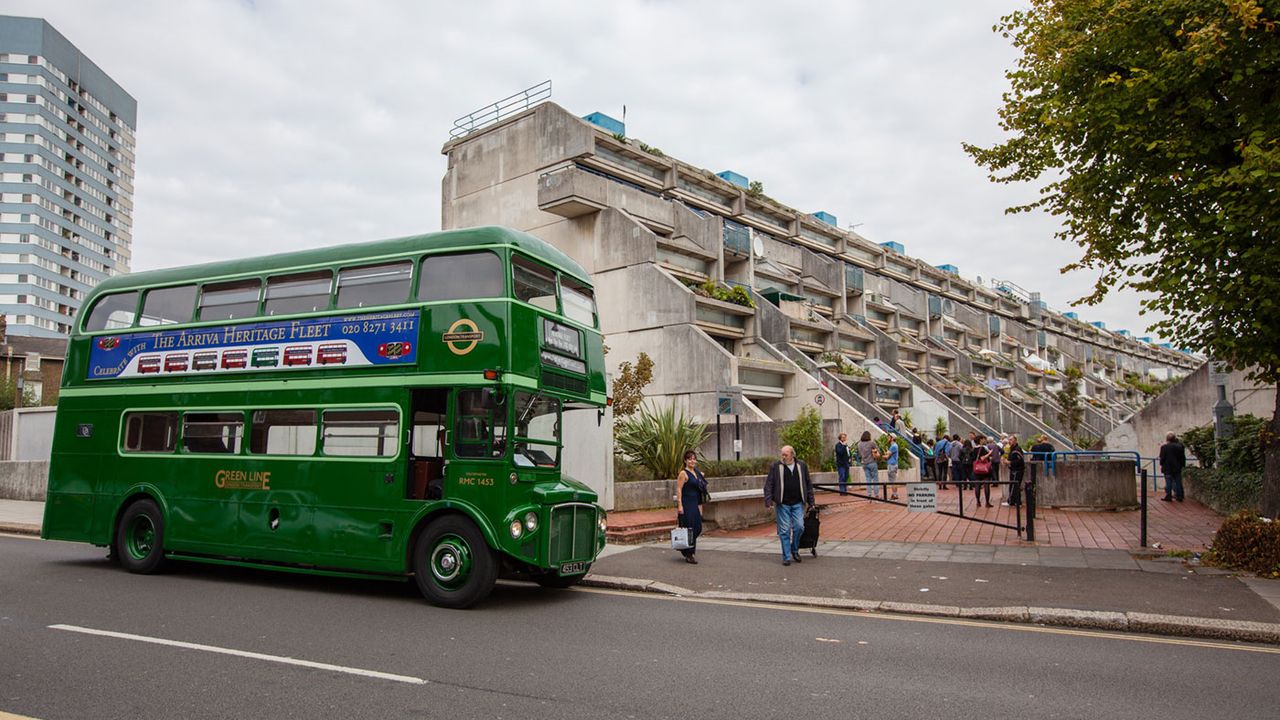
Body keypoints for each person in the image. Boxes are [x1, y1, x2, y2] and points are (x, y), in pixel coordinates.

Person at [763, 445, 815, 566]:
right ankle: (786, 556)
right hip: (783, 504)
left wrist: (811, 501)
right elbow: (769, 484)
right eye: (782, 454)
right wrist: (768, 501)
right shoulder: (776, 466)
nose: (783, 457)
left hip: (797, 502)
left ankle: (794, 549)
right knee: (784, 530)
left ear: (792, 455)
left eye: (786, 454)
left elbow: (808, 483)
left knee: (799, 527)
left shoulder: (801, 465)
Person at [675, 450, 708, 564]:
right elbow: (679, 489)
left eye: (694, 458)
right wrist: (680, 505)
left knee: (697, 528)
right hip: (686, 503)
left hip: (695, 503)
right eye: (690, 459)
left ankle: (685, 548)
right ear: (685, 461)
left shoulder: (697, 472)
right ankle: (689, 554)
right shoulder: (683, 473)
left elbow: (701, 487)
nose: (692, 461)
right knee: (689, 528)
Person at [1159, 432, 1188, 502]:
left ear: (1167, 439)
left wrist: (1161, 464)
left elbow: (1162, 458)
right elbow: (1182, 458)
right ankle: (1179, 496)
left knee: (1168, 482)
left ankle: (1168, 496)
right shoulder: (1180, 446)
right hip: (1177, 467)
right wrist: (1182, 465)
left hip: (1167, 467)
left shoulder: (1164, 447)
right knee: (1178, 481)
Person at [857, 431, 882, 499]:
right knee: (875, 479)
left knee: (868, 479)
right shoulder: (871, 443)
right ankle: (876, 495)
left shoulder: (859, 444)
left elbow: (859, 454)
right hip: (872, 462)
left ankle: (869, 494)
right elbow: (879, 451)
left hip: (864, 463)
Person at [1004, 439, 1026, 507]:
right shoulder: (1012, 449)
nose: (1009, 441)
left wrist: (1010, 462)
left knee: (1014, 486)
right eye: (1009, 440)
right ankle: (1014, 501)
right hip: (1014, 469)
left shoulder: (1017, 450)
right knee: (1014, 486)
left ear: (1015, 441)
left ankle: (1014, 502)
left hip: (1017, 470)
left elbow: (1020, 461)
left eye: (1011, 440)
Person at [973, 436, 993, 507]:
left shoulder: (974, 449)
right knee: (986, 485)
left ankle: (978, 502)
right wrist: (989, 453)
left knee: (977, 485)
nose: (985, 440)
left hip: (977, 469)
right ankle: (987, 502)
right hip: (984, 469)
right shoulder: (984, 448)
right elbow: (983, 458)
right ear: (980, 440)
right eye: (984, 439)